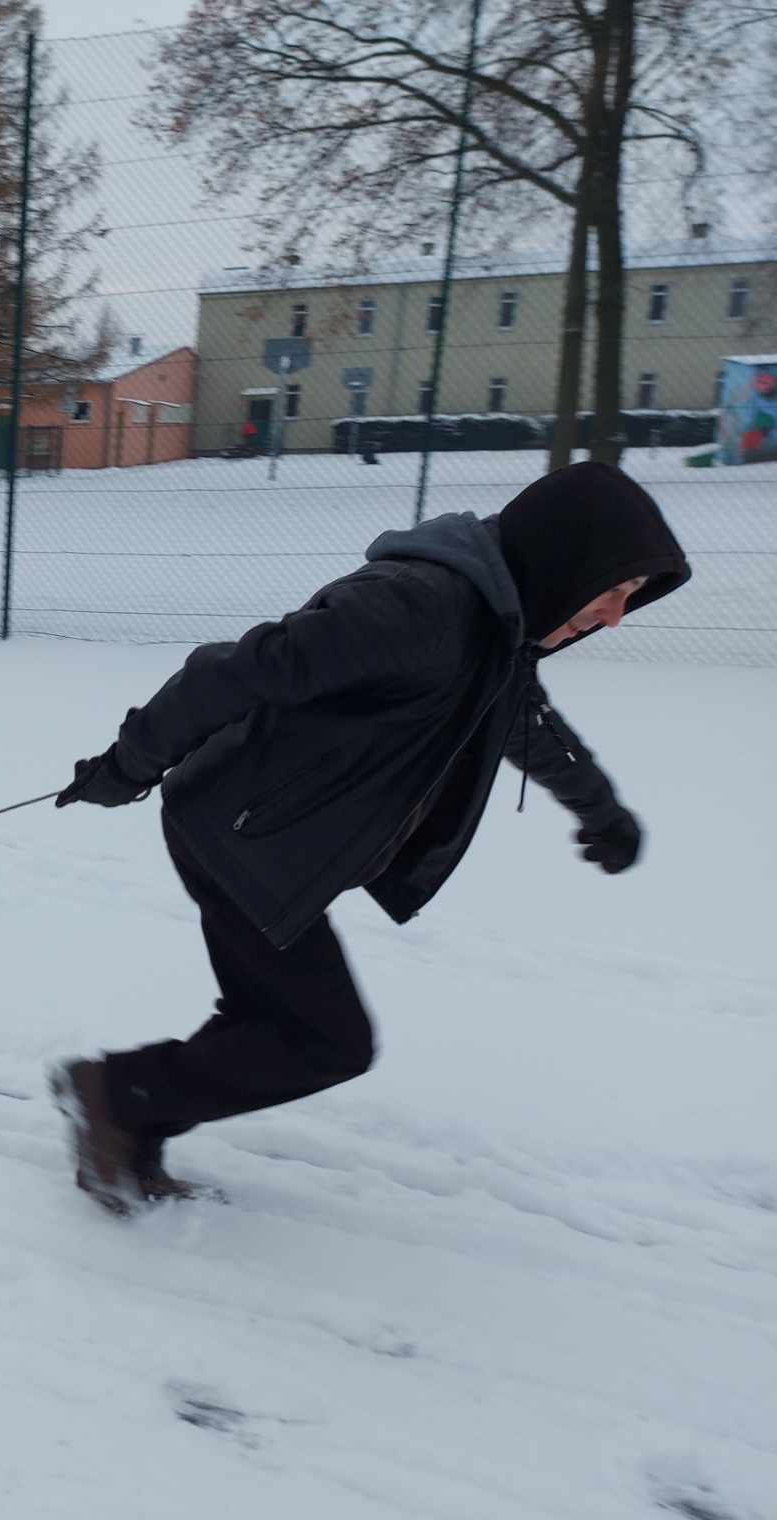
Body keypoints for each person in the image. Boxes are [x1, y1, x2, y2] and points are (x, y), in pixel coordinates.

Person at [49, 462, 691, 1215]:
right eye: (613, 592)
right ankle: (114, 1099)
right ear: (568, 556)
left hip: (278, 835)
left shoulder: (497, 630)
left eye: (629, 603)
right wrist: (132, 762)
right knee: (326, 1038)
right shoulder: (418, 609)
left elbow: (529, 726)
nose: (616, 617)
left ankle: (125, 1118)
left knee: (276, 1020)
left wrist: (601, 810)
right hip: (241, 834)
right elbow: (234, 671)